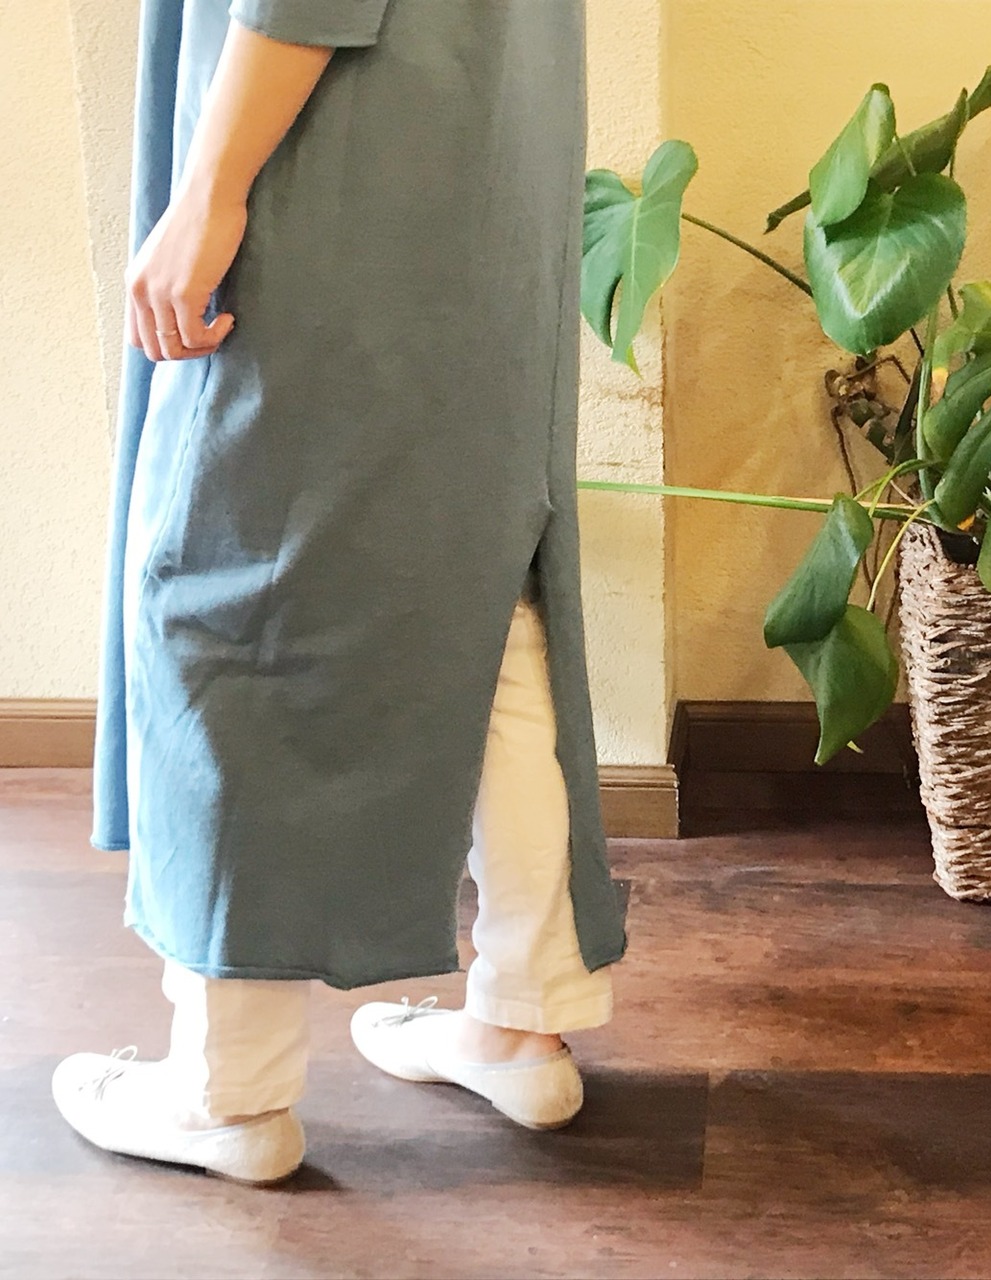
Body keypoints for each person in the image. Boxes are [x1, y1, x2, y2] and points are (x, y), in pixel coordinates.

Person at [51, 0, 628, 1187]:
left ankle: (225, 1088)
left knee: (225, 587)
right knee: (486, 581)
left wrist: (210, 189)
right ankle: (520, 1020)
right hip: (483, 171)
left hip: (327, 175)